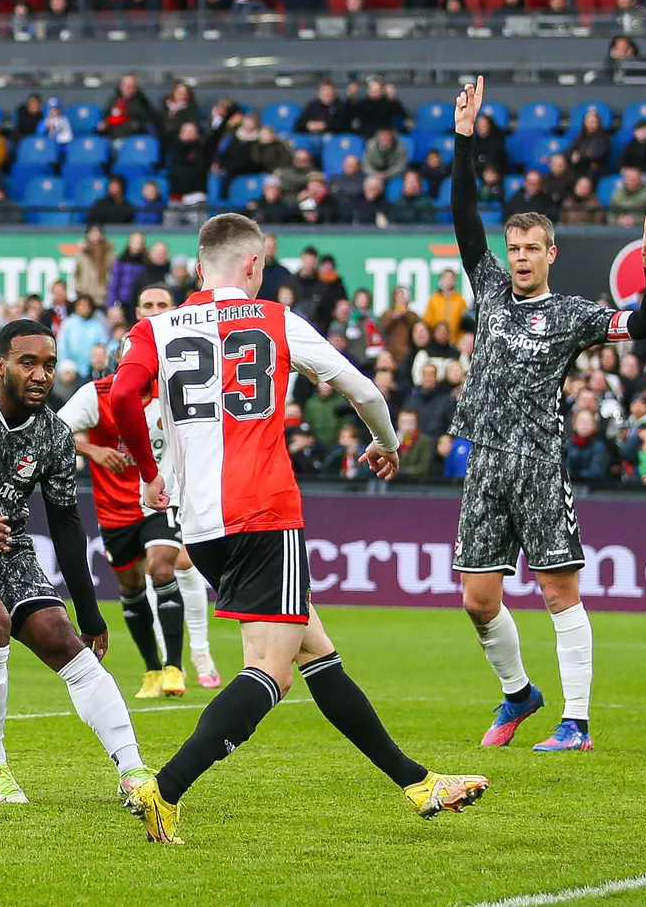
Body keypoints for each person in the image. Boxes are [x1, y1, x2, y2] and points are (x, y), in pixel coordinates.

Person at [111, 213, 488, 842]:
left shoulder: (157, 327)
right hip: (263, 511)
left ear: (198, 266)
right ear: (254, 265)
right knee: (272, 671)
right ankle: (165, 789)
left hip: (200, 526)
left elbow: (124, 401)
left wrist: (151, 471)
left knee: (317, 652)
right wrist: (386, 443)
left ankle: (418, 784)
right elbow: (363, 389)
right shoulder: (275, 320)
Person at [449, 77, 646, 753]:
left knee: (556, 589)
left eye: (529, 249)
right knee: (478, 600)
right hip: (484, 458)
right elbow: (463, 216)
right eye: (511, 248)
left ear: (551, 254)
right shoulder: (487, 287)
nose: (517, 259)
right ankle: (520, 694)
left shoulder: (573, 315)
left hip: (538, 461)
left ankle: (576, 723)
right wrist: (464, 140)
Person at [0, 319, 154, 805]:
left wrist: (90, 610)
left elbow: (65, 523)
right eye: (28, 362)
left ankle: (132, 769)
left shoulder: (55, 434)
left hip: (9, 550)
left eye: (50, 365)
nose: (41, 374)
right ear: (0, 366)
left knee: (67, 644)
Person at [58, 285, 220, 696]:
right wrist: (93, 449)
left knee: (163, 567)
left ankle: (175, 667)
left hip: (160, 498)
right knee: (130, 588)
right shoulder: (97, 395)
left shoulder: (174, 394)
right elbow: (53, 430)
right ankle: (151, 668)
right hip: (114, 509)